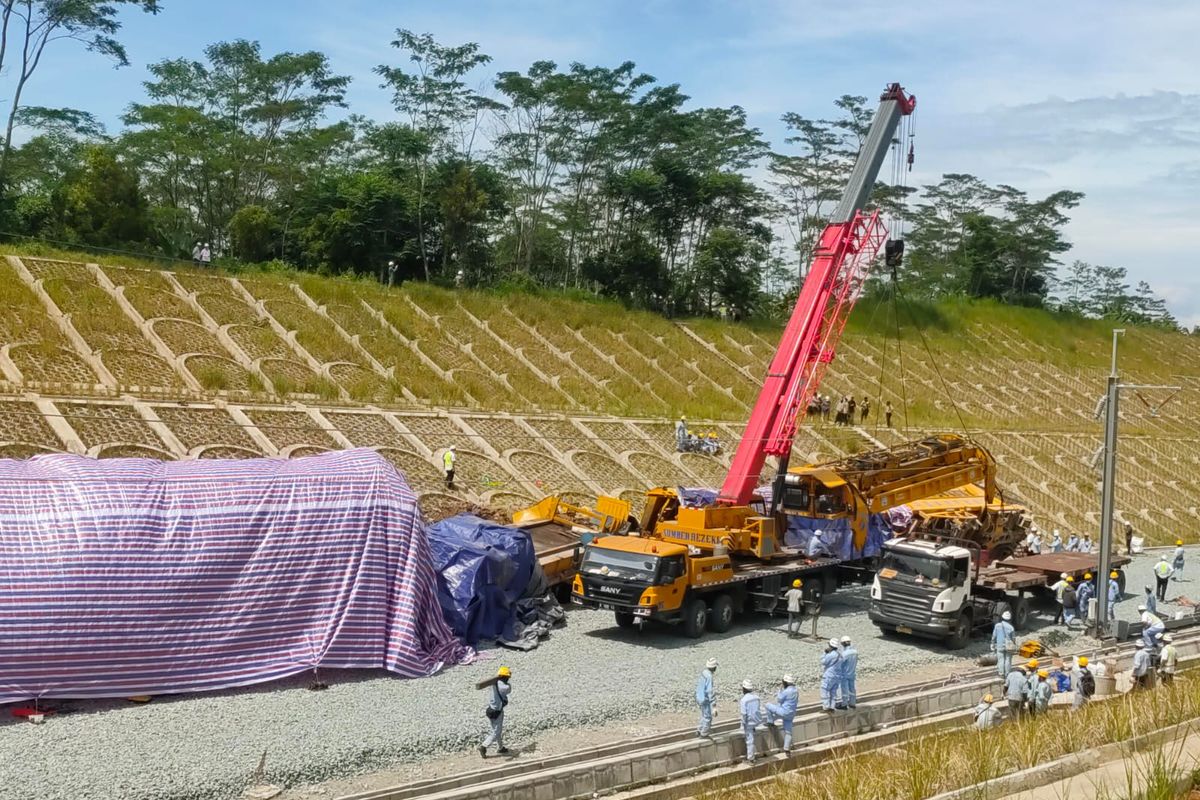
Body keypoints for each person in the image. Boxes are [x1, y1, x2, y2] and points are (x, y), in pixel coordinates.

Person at [480, 666, 512, 757]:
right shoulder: (501, 685)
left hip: (491, 710)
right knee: (496, 732)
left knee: (496, 730)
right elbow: (507, 689)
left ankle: (500, 748)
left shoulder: (495, 683)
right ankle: (484, 746)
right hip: (497, 711)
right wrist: (509, 685)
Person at [765, 674, 799, 752]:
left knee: (768, 705)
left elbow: (779, 699)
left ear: (786, 682)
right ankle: (787, 748)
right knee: (788, 732)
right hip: (791, 714)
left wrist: (780, 691)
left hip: (784, 712)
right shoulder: (795, 690)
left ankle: (770, 722)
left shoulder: (786, 691)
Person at [739, 679, 764, 763]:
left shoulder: (744, 700)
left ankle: (751, 759)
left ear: (744, 689)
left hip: (749, 722)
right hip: (756, 721)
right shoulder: (756, 698)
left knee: (750, 740)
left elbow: (744, 714)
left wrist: (743, 724)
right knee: (751, 735)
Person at [695, 658, 718, 738]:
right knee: (708, 717)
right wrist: (714, 705)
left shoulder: (704, 673)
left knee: (704, 715)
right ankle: (704, 734)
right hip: (704, 699)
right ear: (714, 667)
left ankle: (699, 729)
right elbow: (709, 691)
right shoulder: (709, 676)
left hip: (699, 696)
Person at [991, 610, 1016, 677]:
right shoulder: (1011, 628)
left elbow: (994, 636)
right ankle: (1007, 674)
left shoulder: (997, 626)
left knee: (1001, 659)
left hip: (999, 645)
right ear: (1009, 619)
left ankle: (1001, 673)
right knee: (1008, 660)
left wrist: (992, 644)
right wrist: (1014, 645)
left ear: (1002, 618)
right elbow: (1013, 638)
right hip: (1009, 646)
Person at [819, 639, 842, 712]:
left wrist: (825, 653)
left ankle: (826, 707)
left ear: (830, 646)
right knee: (833, 691)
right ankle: (832, 706)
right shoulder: (840, 655)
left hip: (829, 675)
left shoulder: (831, 655)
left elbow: (823, 661)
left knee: (824, 689)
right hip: (837, 676)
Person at [839, 635, 858, 708]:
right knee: (852, 688)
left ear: (843, 643)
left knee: (844, 689)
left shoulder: (844, 654)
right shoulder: (855, 652)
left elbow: (840, 663)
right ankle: (852, 703)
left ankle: (844, 704)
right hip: (852, 673)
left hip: (845, 674)